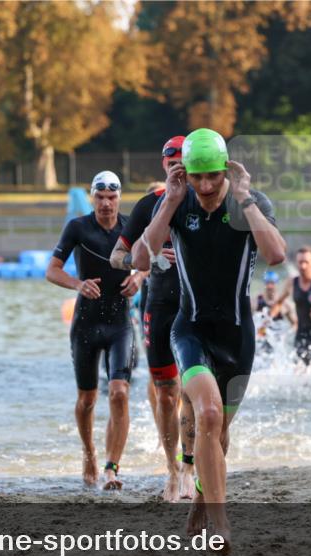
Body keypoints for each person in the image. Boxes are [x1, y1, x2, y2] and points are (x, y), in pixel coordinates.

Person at [132, 128, 286, 546]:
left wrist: (246, 198)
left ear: (224, 171)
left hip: (238, 337)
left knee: (218, 434)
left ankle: (202, 497)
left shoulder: (248, 203)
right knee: (208, 415)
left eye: (212, 177)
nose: (204, 186)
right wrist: (170, 204)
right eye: (196, 177)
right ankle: (221, 527)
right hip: (190, 328)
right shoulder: (177, 204)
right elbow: (139, 257)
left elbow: (276, 255)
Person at [109, 137, 196, 502]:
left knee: (196, 390)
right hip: (158, 306)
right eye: (171, 160)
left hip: (197, 308)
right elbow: (116, 257)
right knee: (165, 396)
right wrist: (147, 259)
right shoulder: (149, 205)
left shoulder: (208, 202)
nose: (177, 167)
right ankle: (172, 470)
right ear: (163, 165)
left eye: (183, 161)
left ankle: (190, 466)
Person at [47, 170, 145, 490]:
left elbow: (147, 257)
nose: (106, 203)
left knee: (119, 392)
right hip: (86, 323)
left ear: (119, 198)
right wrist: (78, 284)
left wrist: (139, 278)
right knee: (87, 399)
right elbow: (52, 270)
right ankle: (88, 452)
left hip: (119, 322)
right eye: (100, 197)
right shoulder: (78, 228)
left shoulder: (132, 226)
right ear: (93, 197)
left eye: (112, 197)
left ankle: (112, 468)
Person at [251, 270, 296, 355]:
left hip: (277, 341)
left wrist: (287, 335)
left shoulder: (285, 304)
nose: (270, 286)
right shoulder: (255, 301)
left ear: (276, 284)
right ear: (264, 284)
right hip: (260, 341)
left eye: (272, 283)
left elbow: (295, 324)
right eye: (267, 283)